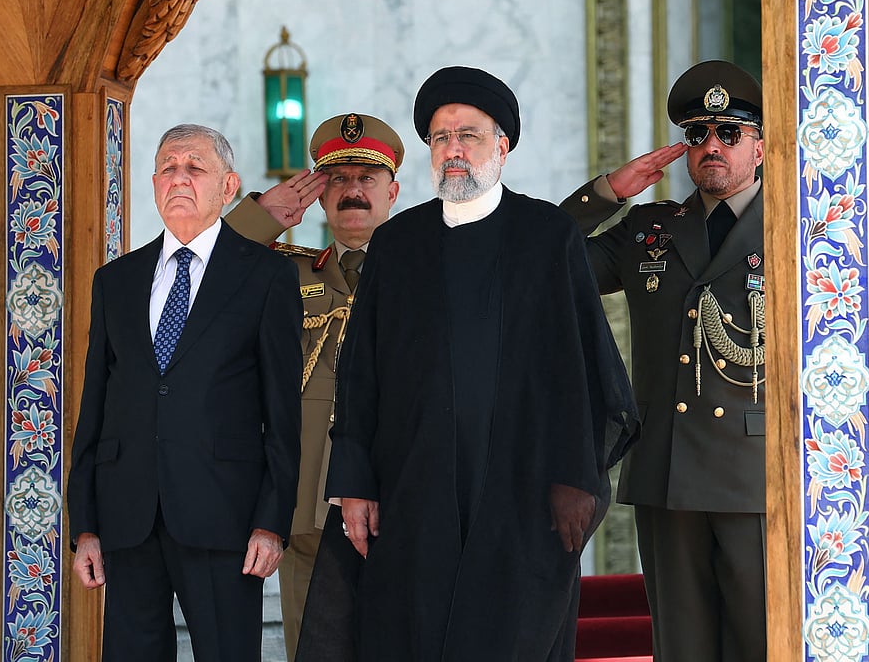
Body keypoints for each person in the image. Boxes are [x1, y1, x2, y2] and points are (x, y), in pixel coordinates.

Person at [323, 66, 639, 661]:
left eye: (468, 135)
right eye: (441, 138)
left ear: (503, 145)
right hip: (414, 485)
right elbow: (360, 374)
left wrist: (577, 479)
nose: (453, 150)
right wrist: (354, 482)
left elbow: (580, 368)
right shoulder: (397, 244)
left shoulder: (547, 235)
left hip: (522, 489)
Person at [67, 124, 302, 662]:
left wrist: (272, 522)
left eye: (195, 167)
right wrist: (85, 526)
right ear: (152, 184)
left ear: (228, 185)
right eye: (168, 168)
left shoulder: (266, 276)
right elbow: (96, 407)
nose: (179, 178)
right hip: (128, 518)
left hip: (226, 519)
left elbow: (283, 414)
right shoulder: (116, 280)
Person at [559, 60, 768, 662]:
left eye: (729, 134)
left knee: (760, 640)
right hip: (667, 466)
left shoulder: (802, 227)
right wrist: (609, 194)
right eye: (698, 135)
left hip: (754, 469)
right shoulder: (649, 229)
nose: (711, 148)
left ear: (759, 146)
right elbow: (546, 260)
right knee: (681, 646)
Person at [225, 112, 404, 661]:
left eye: (366, 179)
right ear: (321, 196)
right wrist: (261, 219)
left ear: (392, 192)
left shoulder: (425, 273)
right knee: (311, 643)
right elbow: (204, 277)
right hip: (306, 494)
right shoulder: (282, 272)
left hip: (399, 484)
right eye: (339, 179)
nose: (353, 190)